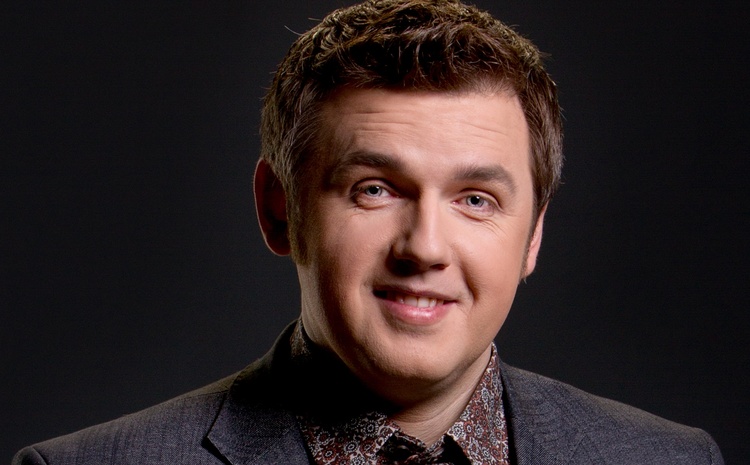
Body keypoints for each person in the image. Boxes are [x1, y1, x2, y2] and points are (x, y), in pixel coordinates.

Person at [13, 0, 724, 464]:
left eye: (476, 199)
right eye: (374, 189)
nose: (425, 247)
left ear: (533, 234)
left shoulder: (670, 459)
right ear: (280, 209)